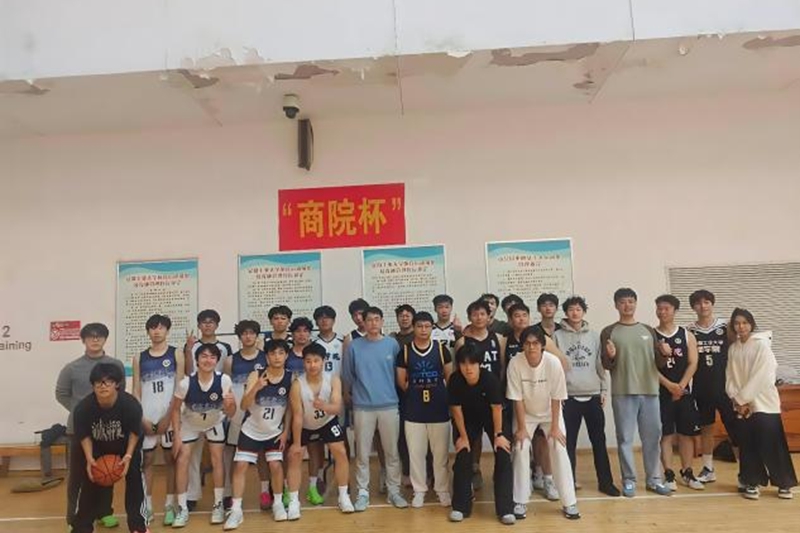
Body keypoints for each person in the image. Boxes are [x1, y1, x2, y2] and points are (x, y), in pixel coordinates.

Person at [601, 288, 670, 498]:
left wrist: (665, 354)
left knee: (652, 437)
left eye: (631, 301)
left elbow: (659, 362)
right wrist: (611, 356)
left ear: (636, 303)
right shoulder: (609, 331)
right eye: (623, 302)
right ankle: (629, 480)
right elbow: (606, 364)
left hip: (650, 391)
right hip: (623, 391)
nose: (627, 305)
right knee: (625, 438)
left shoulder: (648, 330)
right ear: (616, 305)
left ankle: (654, 479)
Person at [56, 323, 125, 529]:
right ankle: (74, 518)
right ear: (83, 340)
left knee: (106, 470)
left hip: (107, 429)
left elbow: (120, 392)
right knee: (77, 476)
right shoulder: (71, 368)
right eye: (91, 336)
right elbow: (61, 394)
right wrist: (80, 412)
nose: (95, 340)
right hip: (78, 430)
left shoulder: (115, 365)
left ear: (105, 339)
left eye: (99, 336)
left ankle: (104, 512)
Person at [508, 326, 580, 520]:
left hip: (550, 414)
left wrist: (555, 428)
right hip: (526, 415)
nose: (531, 347)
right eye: (527, 343)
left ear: (542, 345)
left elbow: (557, 397)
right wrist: (522, 429)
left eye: (535, 343)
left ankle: (569, 502)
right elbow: (517, 399)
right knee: (521, 447)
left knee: (558, 446)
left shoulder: (553, 362)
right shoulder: (515, 363)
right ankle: (520, 500)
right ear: (522, 345)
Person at [341, 306, 409, 511]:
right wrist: (352, 396)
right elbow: (348, 375)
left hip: (389, 405)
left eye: (377, 319)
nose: (373, 323)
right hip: (363, 407)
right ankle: (363, 493)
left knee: (392, 452)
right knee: (362, 454)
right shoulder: (354, 346)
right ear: (364, 322)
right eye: (369, 319)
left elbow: (399, 373)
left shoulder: (392, 344)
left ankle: (394, 491)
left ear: (382, 322)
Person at [726, 308, 797, 500]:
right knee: (748, 445)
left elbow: (764, 376)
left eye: (745, 323)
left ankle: (784, 483)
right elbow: (730, 377)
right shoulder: (733, 349)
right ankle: (752, 482)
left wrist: (743, 398)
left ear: (751, 324)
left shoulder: (761, 346)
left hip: (765, 404)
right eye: (737, 323)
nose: (741, 327)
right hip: (742, 407)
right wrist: (736, 400)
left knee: (773, 444)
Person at [553, 297, 619, 497]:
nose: (575, 313)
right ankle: (568, 482)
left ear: (584, 312)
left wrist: (604, 390)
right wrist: (558, 395)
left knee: (599, 441)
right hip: (569, 397)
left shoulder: (594, 335)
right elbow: (555, 367)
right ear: (566, 312)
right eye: (571, 309)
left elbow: (600, 364)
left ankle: (606, 483)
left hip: (592, 395)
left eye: (578, 309)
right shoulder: (557, 336)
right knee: (568, 443)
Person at [224, 339, 293, 529]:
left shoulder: (290, 377)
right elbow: (243, 405)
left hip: (274, 431)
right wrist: (256, 387)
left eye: (280, 353)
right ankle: (236, 510)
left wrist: (286, 431)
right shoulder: (256, 374)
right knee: (240, 466)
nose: (277, 357)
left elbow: (291, 408)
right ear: (267, 356)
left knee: (276, 465)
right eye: (273, 353)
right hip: (251, 430)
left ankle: (278, 504)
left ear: (286, 356)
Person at [70, 363, 147, 533]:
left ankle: (138, 526)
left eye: (108, 382)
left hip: (126, 447)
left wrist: (128, 456)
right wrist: (90, 458)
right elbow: (84, 436)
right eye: (98, 382)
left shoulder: (130, 405)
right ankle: (82, 526)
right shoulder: (83, 408)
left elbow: (135, 433)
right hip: (97, 447)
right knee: (89, 481)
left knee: (135, 479)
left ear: (117, 384)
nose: (103, 386)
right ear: (93, 385)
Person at [447, 343, 514, 524]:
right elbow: (456, 410)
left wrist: (499, 435)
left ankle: (505, 509)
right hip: (468, 420)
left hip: (493, 418)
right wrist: (463, 437)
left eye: (472, 363)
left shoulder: (490, 379)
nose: (468, 368)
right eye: (463, 364)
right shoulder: (455, 380)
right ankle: (461, 506)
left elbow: (496, 408)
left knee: (503, 453)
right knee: (463, 454)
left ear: (479, 364)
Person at [170, 343, 236, 527]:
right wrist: (176, 436)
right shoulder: (185, 383)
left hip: (214, 422)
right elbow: (175, 410)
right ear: (197, 360)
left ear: (217, 361)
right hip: (190, 423)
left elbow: (231, 413)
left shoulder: (224, 380)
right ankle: (182, 507)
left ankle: (218, 504)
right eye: (204, 356)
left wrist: (230, 404)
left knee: (217, 459)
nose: (208, 360)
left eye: (212, 357)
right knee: (182, 460)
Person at [503, 302, 563, 501]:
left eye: (524, 315)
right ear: (510, 319)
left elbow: (561, 364)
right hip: (519, 399)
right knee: (520, 443)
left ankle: (546, 477)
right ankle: (523, 486)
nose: (520, 318)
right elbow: (503, 368)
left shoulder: (543, 341)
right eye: (516, 315)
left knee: (545, 442)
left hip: (544, 400)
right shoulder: (505, 341)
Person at [287, 343, 355, 517]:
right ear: (303, 362)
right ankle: (294, 501)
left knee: (340, 451)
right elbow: (297, 416)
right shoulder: (297, 385)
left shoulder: (333, 379)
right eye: (308, 361)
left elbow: (337, 408)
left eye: (316, 361)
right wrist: (296, 444)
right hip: (305, 424)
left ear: (323, 361)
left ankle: (343, 496)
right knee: (295, 456)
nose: (312, 365)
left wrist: (323, 405)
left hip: (327, 421)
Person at [396, 311, 453, 508]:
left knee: (440, 455)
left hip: (439, 409)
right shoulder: (404, 351)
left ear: (432, 328)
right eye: (419, 326)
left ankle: (442, 490)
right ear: (414, 327)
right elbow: (401, 381)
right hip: (414, 410)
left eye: (427, 326)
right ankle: (419, 490)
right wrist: (417, 390)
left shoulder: (441, 349)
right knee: (416, 454)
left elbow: (449, 377)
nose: (423, 330)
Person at [132, 314, 184, 525]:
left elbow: (179, 388)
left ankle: (170, 505)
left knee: (172, 460)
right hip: (147, 417)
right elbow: (135, 390)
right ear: (148, 332)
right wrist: (142, 418)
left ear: (167, 331)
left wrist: (169, 417)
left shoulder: (176, 354)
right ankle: (148, 506)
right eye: (153, 328)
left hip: (170, 417)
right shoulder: (139, 357)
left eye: (161, 327)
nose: (157, 331)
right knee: (147, 461)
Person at [686, 290, 740, 485]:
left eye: (707, 302)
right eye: (698, 303)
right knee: (706, 428)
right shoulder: (689, 331)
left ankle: (745, 472)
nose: (703, 306)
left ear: (712, 304)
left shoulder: (726, 326)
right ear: (693, 307)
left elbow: (739, 350)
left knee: (735, 429)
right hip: (702, 387)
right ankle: (708, 469)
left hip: (726, 387)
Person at [454, 299, 506, 492]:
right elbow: (458, 370)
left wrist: (498, 391)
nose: (479, 317)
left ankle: (500, 476)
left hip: (493, 399)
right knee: (472, 439)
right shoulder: (462, 342)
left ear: (489, 316)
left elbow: (502, 367)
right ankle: (474, 471)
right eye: (475, 314)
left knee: (499, 438)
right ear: (469, 317)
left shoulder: (498, 339)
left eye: (482, 314)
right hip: (470, 400)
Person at [183, 309, 233, 510]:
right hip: (194, 405)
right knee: (192, 454)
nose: (207, 325)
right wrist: (188, 349)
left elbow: (227, 373)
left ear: (217, 325)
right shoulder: (192, 346)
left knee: (221, 454)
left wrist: (227, 401)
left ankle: (225, 494)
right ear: (199, 325)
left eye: (211, 322)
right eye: (204, 322)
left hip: (217, 407)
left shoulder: (225, 347)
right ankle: (191, 495)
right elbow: (187, 372)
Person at [653, 295, 703, 491]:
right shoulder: (652, 336)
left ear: (675, 310)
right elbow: (649, 367)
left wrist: (680, 386)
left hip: (684, 393)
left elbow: (693, 363)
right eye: (659, 308)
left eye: (666, 308)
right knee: (665, 435)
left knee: (686, 434)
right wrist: (669, 385)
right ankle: (668, 474)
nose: (662, 312)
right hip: (661, 392)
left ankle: (687, 472)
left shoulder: (686, 335)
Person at [222, 321, 272, 511]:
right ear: (239, 337)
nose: (248, 336)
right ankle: (230, 493)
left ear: (257, 336)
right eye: (244, 333)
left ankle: (265, 491)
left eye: (252, 333)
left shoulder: (265, 357)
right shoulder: (230, 361)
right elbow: (227, 388)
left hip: (259, 410)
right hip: (238, 412)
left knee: (262, 453)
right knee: (234, 454)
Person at [312, 305, 346, 493]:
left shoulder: (343, 341)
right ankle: (318, 476)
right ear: (317, 321)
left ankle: (344, 478)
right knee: (317, 440)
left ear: (334, 320)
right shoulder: (312, 343)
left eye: (328, 317)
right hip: (317, 396)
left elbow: (348, 368)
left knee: (340, 438)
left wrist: (346, 392)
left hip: (337, 394)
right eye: (321, 317)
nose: (324, 320)